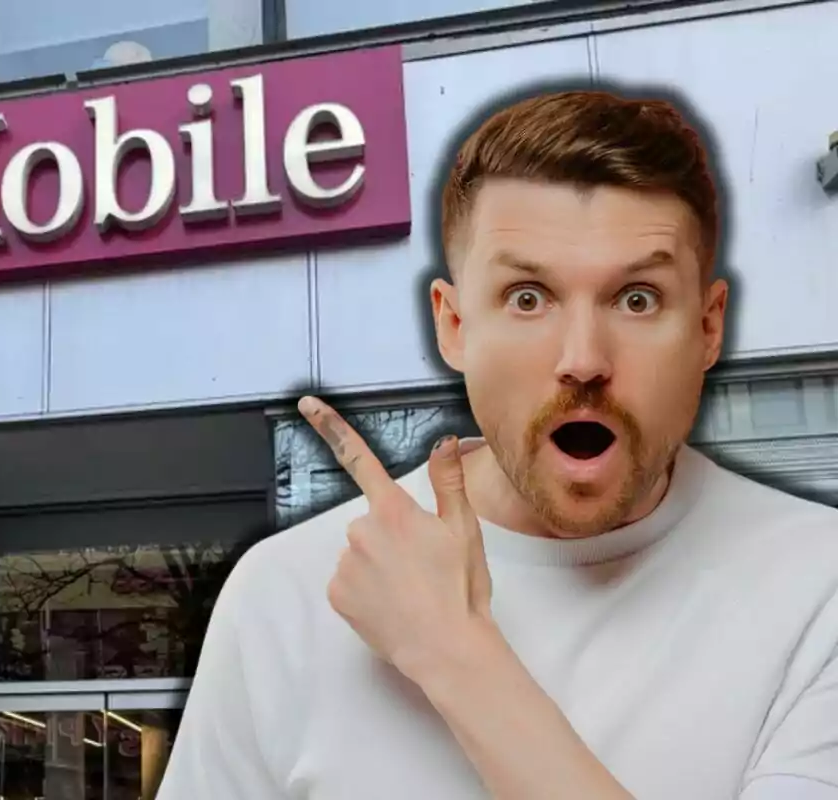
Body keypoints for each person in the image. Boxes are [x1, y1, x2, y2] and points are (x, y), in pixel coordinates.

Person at [154, 89, 838, 799]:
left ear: (708, 326)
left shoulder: (821, 586)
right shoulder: (288, 593)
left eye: (637, 298)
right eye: (527, 297)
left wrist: (454, 654)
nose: (582, 359)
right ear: (453, 325)